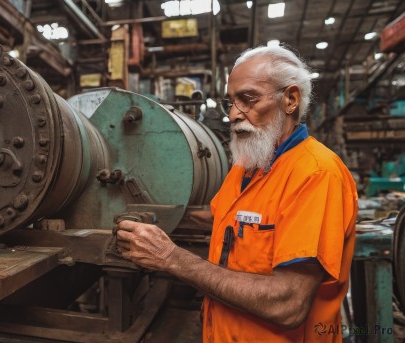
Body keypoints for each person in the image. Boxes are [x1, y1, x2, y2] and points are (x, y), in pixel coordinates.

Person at [116, 45, 358, 342]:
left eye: (248, 99)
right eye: (230, 102)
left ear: (290, 99)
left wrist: (170, 256)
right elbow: (223, 221)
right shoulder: (247, 167)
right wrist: (151, 216)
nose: (233, 114)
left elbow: (288, 304)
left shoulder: (316, 174)